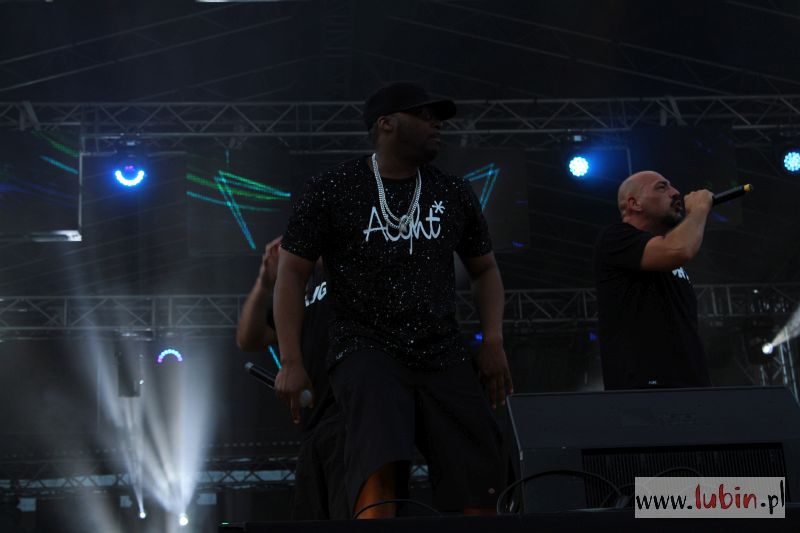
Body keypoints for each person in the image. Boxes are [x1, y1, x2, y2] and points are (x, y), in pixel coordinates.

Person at [273, 82, 512, 519]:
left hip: (442, 349)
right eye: (424, 115)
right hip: (365, 345)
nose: (437, 124)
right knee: (379, 460)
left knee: (478, 469)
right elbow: (291, 273)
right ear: (386, 123)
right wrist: (291, 360)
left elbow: (485, 270)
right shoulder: (332, 187)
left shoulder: (453, 191)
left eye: (437, 117)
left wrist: (493, 340)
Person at [236, 235, 348, 520]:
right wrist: (264, 283)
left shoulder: (351, 264)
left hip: (350, 415)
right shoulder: (298, 289)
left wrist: (307, 256)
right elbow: (249, 338)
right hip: (313, 424)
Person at [594, 170, 714, 390]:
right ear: (634, 203)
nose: (675, 192)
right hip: (645, 388)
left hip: (691, 385)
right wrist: (698, 210)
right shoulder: (615, 238)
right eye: (662, 187)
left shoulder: (666, 258)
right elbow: (680, 249)